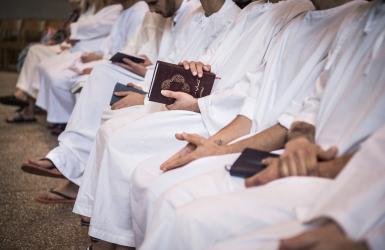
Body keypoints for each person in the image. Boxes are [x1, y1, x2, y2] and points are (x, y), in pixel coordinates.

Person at [72, 0, 355, 248]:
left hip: (237, 120)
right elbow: (248, 79)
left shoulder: (315, 13)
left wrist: (209, 123)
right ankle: (113, 232)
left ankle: (117, 233)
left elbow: (283, 107)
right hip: (224, 110)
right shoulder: (267, 12)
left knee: (146, 168)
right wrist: (197, 68)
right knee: (130, 148)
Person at [208, 123, 385, 250]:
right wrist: (300, 139)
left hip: (345, 195)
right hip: (303, 168)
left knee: (192, 220)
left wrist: (370, 243)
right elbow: (311, 105)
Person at [3, 0, 123, 123]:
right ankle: (26, 101)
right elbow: (79, 30)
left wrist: (73, 31)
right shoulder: (90, 9)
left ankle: (27, 102)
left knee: (43, 60)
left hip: (87, 51)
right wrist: (70, 37)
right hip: (73, 47)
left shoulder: (115, 9)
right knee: (35, 51)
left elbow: (92, 28)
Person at [34, 0, 148, 126]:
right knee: (56, 72)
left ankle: (77, 125)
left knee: (74, 78)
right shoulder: (124, 10)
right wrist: (97, 56)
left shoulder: (140, 10)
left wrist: (99, 63)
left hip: (119, 64)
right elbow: (110, 43)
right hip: (108, 59)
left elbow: (129, 50)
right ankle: (69, 121)